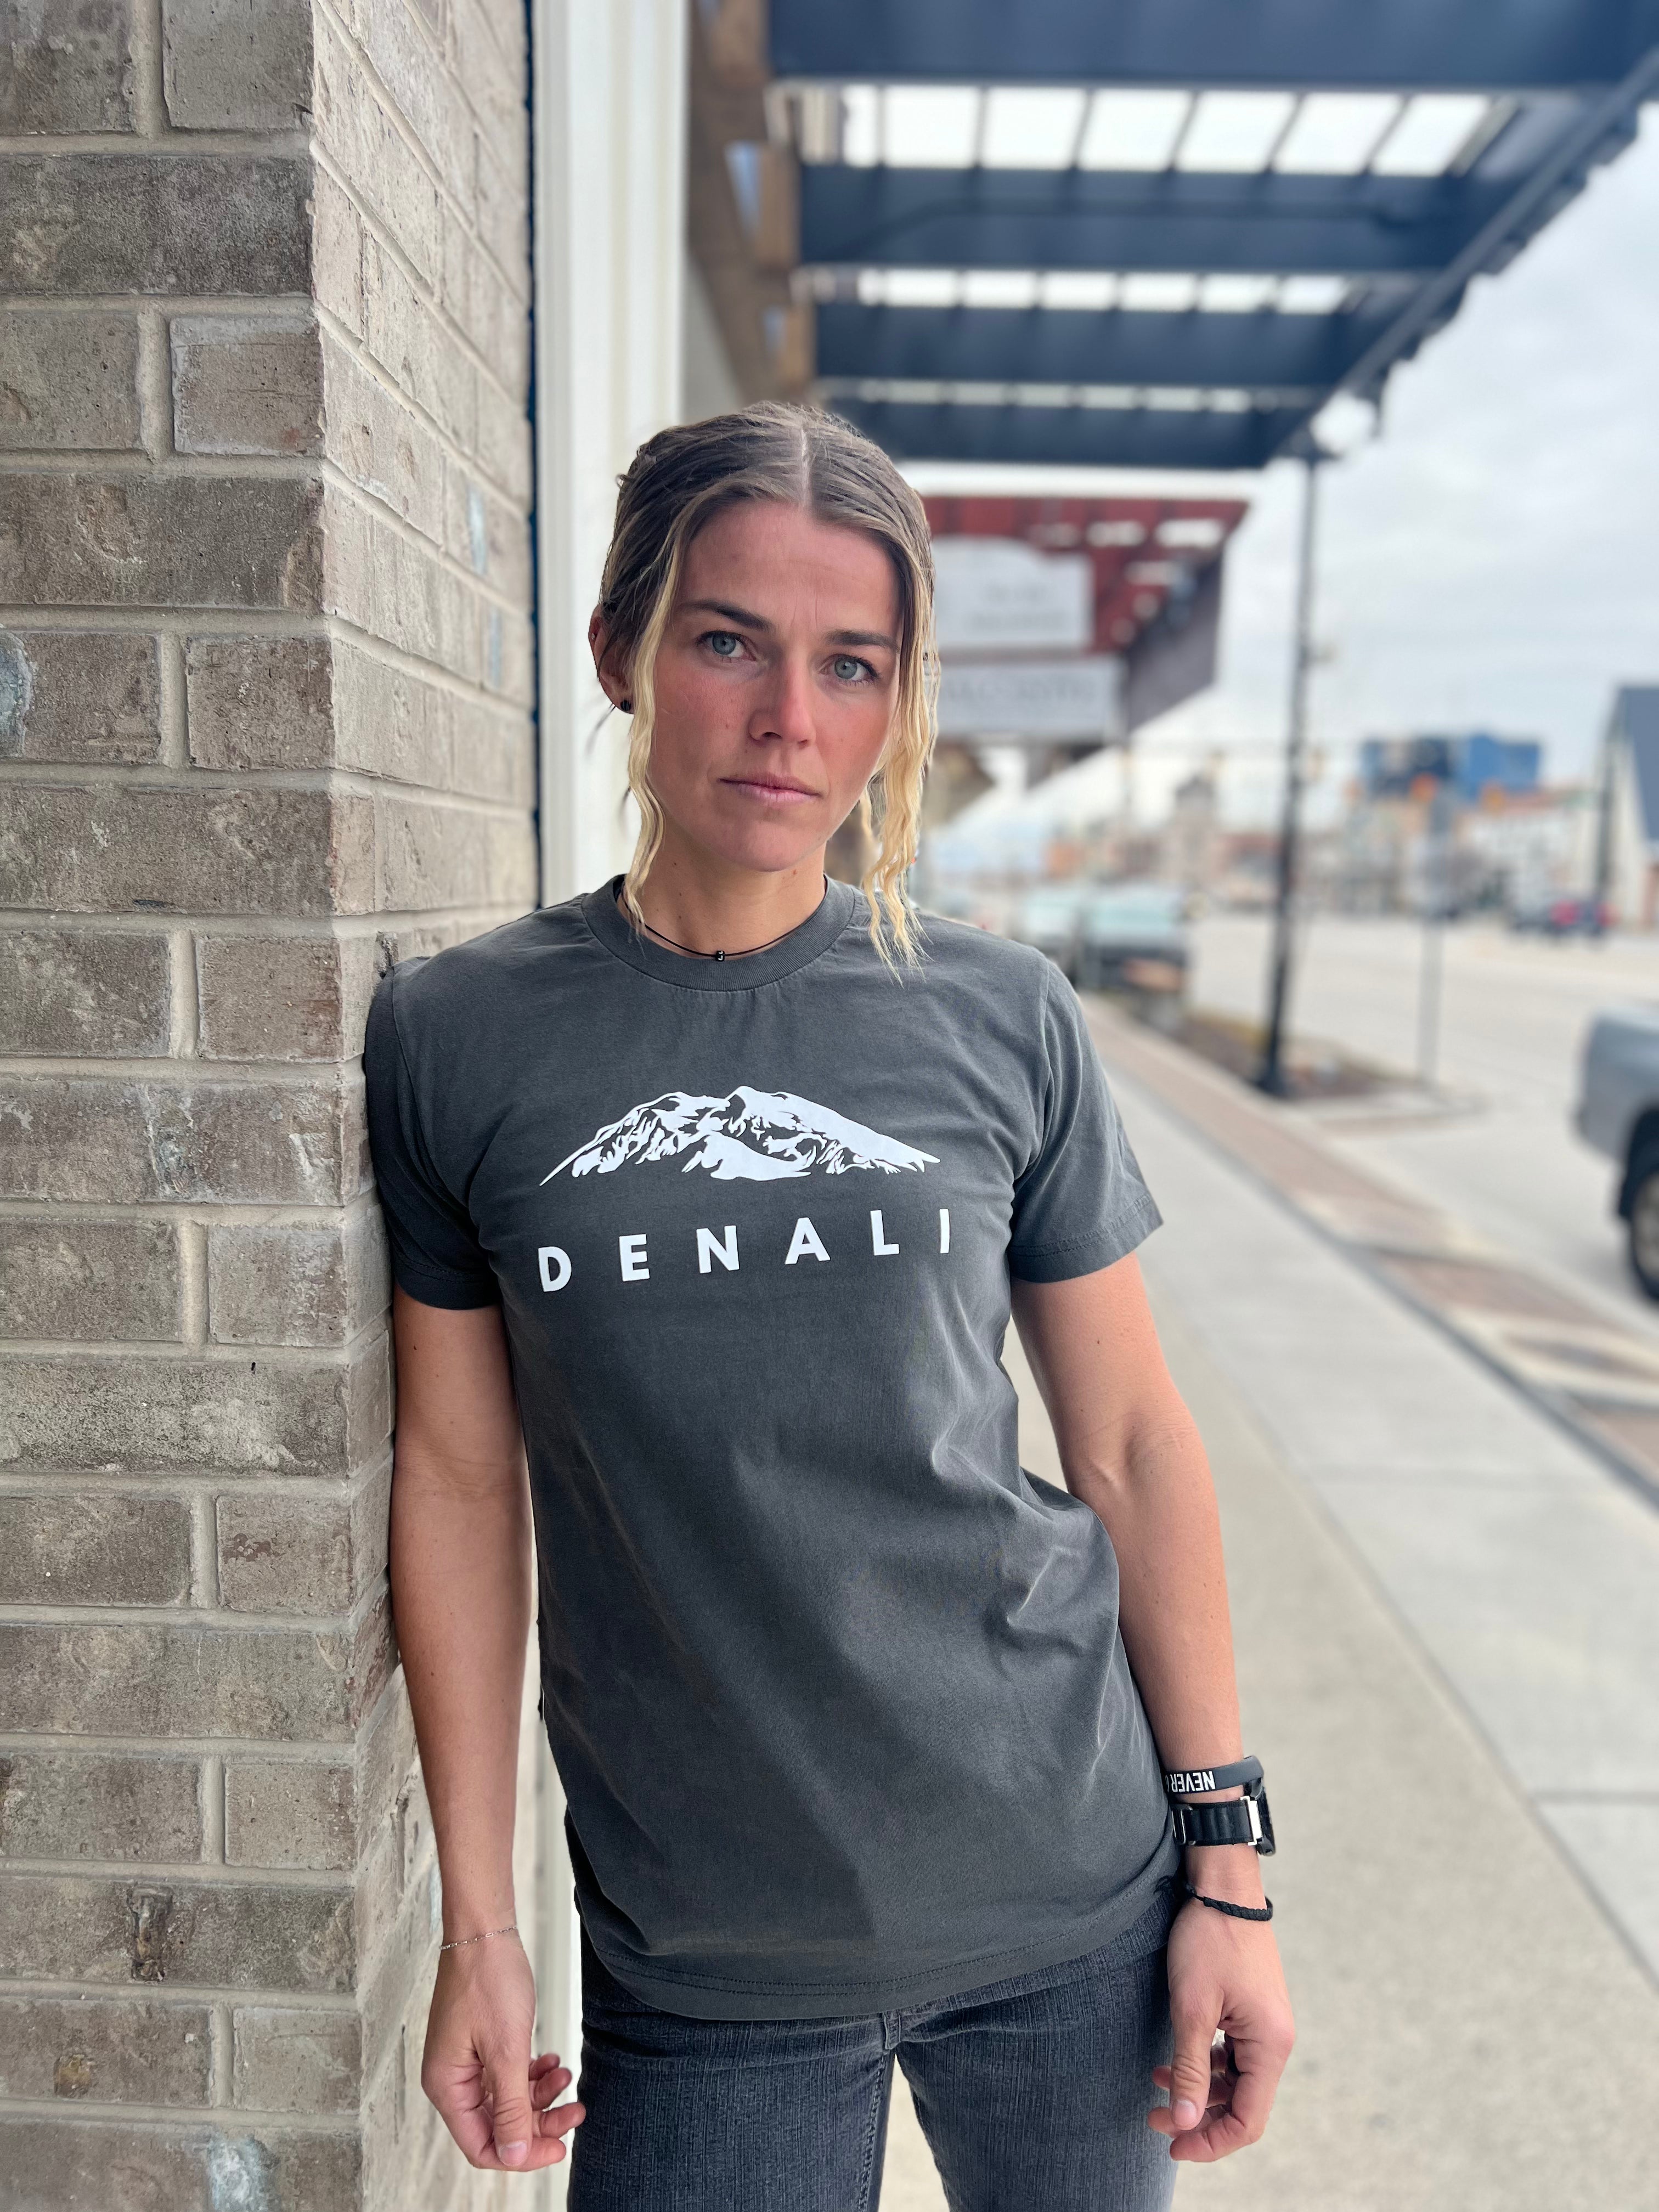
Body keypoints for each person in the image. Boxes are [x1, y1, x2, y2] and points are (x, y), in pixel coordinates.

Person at [365, 402, 1293, 2211]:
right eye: (730, 642)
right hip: (707, 1968)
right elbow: (463, 1484)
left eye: (851, 665)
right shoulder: (460, 1036)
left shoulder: (999, 1013)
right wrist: (479, 1926)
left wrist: (1230, 1875)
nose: (793, 721)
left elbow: (1124, 1443)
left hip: (1067, 1907)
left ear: (896, 700)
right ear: (621, 652)